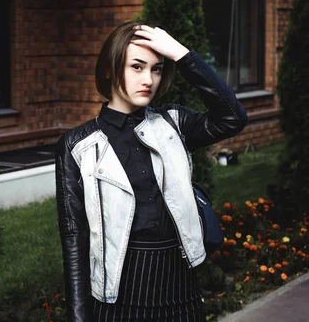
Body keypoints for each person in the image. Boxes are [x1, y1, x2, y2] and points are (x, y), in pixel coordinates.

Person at [54, 20, 248, 322]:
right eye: (136, 67)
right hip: (117, 299)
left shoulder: (174, 124)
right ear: (109, 69)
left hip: (179, 292)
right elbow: (74, 238)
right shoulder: (77, 144)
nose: (149, 79)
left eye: (156, 68)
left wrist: (183, 56)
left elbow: (232, 117)